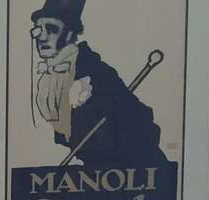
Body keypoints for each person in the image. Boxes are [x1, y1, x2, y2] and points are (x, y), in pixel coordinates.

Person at [28, 0, 167, 170]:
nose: (41, 37)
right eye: (38, 29)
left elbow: (130, 127)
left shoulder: (93, 71)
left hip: (133, 167)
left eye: (51, 29)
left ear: (71, 33)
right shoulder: (51, 77)